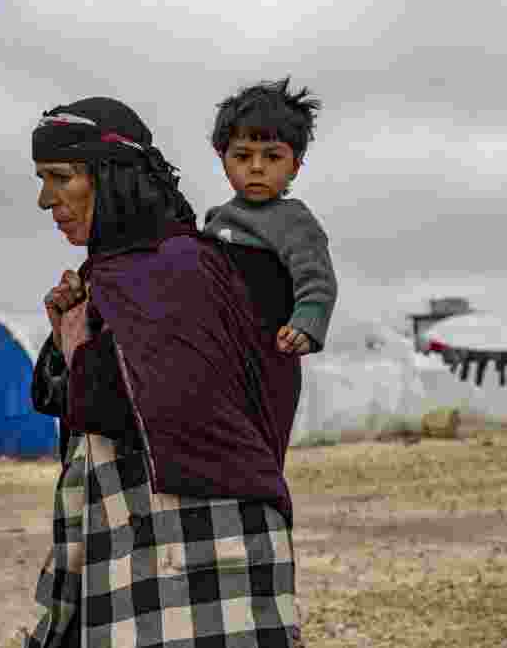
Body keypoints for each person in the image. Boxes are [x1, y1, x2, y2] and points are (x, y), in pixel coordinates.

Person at [25, 96, 305, 647]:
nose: (44, 199)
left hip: (197, 534)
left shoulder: (180, 268)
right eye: (41, 179)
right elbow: (84, 401)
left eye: (60, 177)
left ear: (111, 177)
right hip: (122, 522)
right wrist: (68, 337)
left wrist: (81, 345)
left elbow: (163, 407)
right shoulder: (120, 271)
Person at [203, 77, 338, 356]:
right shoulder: (215, 221)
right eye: (242, 156)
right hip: (219, 353)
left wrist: (304, 326)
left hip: (269, 353)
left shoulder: (293, 221)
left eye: (272, 157)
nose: (256, 168)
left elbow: (317, 281)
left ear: (295, 165)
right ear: (222, 159)